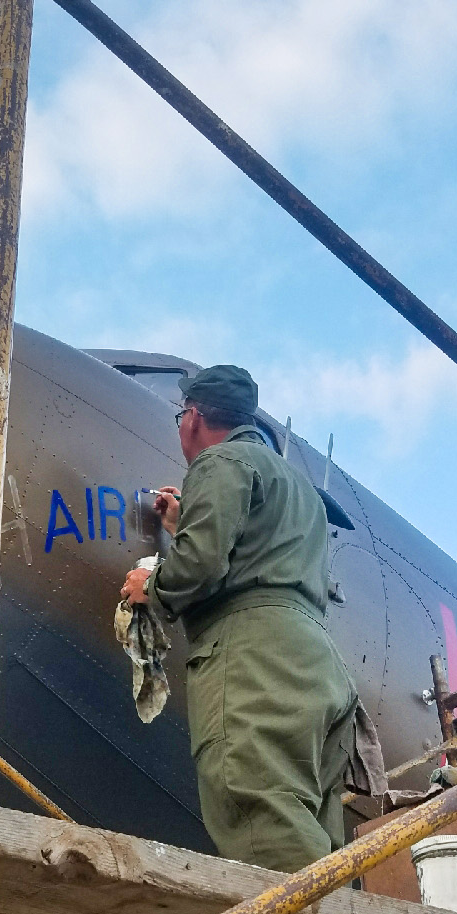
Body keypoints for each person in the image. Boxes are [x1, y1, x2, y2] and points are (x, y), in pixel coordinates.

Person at [121, 365, 358, 873]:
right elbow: (258, 553)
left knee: (259, 817)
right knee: (317, 840)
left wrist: (151, 587)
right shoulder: (301, 490)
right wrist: (187, 520)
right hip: (315, 664)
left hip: (254, 658)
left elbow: (202, 565)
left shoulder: (220, 461)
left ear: (193, 418)